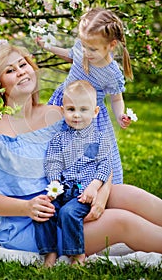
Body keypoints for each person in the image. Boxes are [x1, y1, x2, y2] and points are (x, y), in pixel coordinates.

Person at [0, 44, 162, 265]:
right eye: (9, 70)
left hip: (70, 201)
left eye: (23, 64)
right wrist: (26, 207)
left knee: (126, 193)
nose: (20, 72)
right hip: (31, 224)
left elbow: (99, 154)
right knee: (121, 222)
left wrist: (102, 194)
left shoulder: (57, 116)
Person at [38, 7, 133, 185]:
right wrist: (47, 46)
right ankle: (51, 182)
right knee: (53, 143)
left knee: (87, 152)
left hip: (89, 114)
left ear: (111, 45)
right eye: (84, 46)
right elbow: (70, 55)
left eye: (93, 49)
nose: (87, 52)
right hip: (63, 103)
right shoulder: (83, 49)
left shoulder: (111, 73)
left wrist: (120, 115)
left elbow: (116, 98)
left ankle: (84, 186)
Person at [34, 80, 112, 266]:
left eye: (83, 110)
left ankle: (77, 255)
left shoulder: (100, 139)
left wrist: (94, 186)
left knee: (69, 213)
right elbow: (53, 163)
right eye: (71, 109)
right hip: (62, 191)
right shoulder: (58, 140)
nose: (77, 115)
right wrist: (53, 187)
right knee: (44, 212)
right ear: (63, 111)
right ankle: (49, 253)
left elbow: (105, 165)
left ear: (95, 112)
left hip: (83, 194)